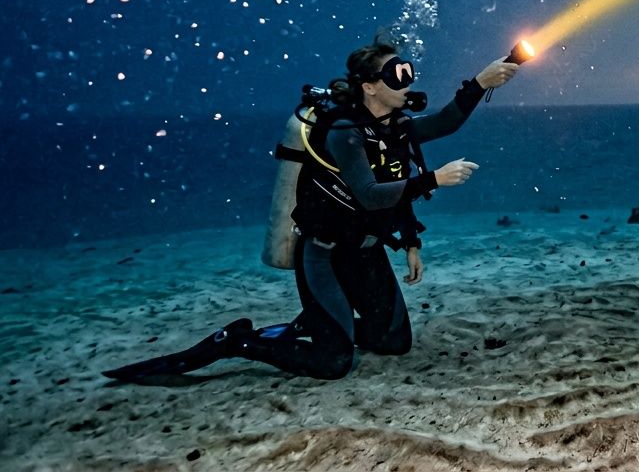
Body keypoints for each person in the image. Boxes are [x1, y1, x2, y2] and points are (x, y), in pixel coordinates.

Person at [103, 39, 519, 382]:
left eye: (407, 72)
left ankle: (316, 323)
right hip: (324, 254)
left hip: (365, 251)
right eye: (398, 75)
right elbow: (371, 194)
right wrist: (435, 179)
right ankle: (235, 341)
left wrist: (480, 82)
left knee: (394, 342)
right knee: (334, 363)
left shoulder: (395, 127)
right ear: (370, 86)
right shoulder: (343, 132)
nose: (408, 82)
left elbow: (445, 123)